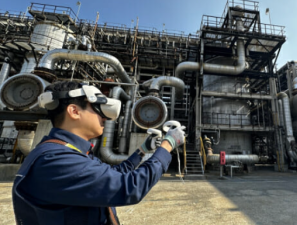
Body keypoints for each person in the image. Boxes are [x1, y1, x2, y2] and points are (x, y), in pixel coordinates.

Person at [12, 81, 186, 225]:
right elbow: (129, 188)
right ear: (74, 111)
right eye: (96, 107)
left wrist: (141, 151)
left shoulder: (68, 152)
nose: (104, 117)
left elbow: (114, 175)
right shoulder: (54, 161)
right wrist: (167, 145)